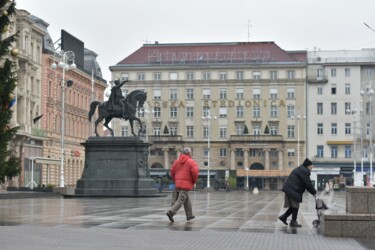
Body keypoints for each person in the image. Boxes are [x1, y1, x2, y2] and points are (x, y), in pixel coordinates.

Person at [279, 157, 317, 227]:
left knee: (294, 206)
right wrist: (314, 192)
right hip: (293, 190)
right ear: (308, 166)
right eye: (311, 165)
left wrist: (312, 192)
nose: (312, 166)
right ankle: (293, 221)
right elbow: (307, 184)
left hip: (291, 189)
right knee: (295, 205)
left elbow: (306, 184)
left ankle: (284, 217)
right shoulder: (305, 171)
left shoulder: (301, 169)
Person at [166, 147, 199, 222]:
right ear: (189, 153)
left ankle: (189, 215)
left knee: (186, 199)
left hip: (178, 183)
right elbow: (195, 173)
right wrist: (194, 181)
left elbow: (172, 172)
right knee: (181, 200)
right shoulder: (191, 161)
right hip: (186, 184)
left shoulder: (177, 161)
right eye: (191, 152)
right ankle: (171, 212)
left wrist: (176, 181)